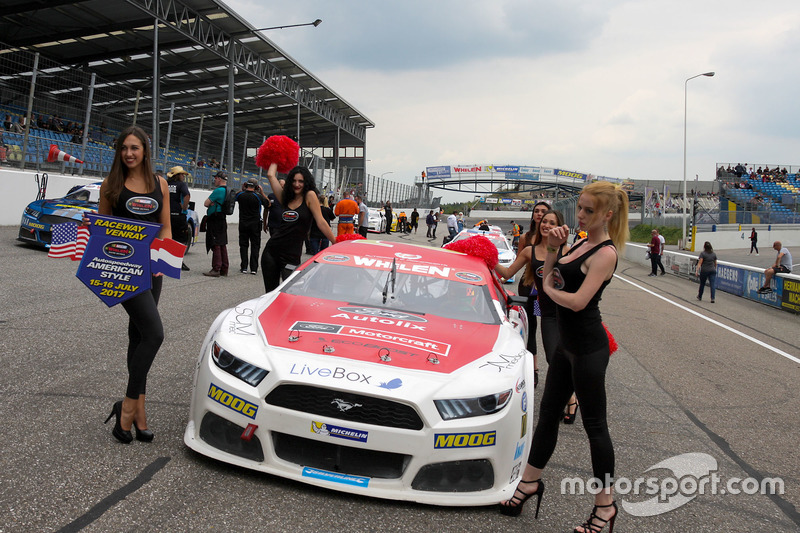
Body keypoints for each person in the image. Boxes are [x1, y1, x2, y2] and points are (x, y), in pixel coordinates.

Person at [500, 181, 628, 533]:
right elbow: (549, 275)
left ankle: (606, 508)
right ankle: (529, 483)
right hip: (565, 347)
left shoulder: (605, 253)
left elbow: (576, 300)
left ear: (608, 214)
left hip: (588, 348)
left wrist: (549, 290)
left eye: (589, 210)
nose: (582, 214)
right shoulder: (582, 242)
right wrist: (554, 249)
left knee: (595, 428)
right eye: (581, 208)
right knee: (547, 418)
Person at [97, 125, 171, 444]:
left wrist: (161, 260)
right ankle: (128, 406)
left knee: (138, 335)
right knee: (155, 333)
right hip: (123, 269)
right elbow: (102, 230)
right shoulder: (111, 185)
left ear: (145, 150)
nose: (129, 153)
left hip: (153, 269)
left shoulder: (161, 184)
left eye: (134, 148)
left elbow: (165, 227)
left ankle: (139, 414)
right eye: (124, 148)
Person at [495, 208, 566, 389]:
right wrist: (486, 256)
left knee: (564, 357)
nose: (547, 225)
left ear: (559, 227)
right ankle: (562, 393)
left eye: (552, 223)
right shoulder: (529, 251)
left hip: (564, 310)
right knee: (552, 356)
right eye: (545, 221)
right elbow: (508, 273)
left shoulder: (566, 250)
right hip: (545, 309)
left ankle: (571, 399)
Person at [261, 163, 337, 293]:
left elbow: (321, 221)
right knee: (270, 295)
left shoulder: (310, 196)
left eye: (301, 181)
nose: (297, 184)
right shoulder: (285, 198)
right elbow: (270, 175)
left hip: (291, 256)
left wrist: (336, 243)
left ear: (306, 182)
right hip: (271, 252)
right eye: (294, 181)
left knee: (289, 295)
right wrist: (276, 153)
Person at [236, 178, 267, 274]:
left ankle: (244, 267)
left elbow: (234, 197)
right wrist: (262, 192)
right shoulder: (258, 196)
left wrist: (242, 189)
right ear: (257, 187)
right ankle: (254, 268)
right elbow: (268, 204)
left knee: (243, 245)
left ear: (246, 185)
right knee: (255, 246)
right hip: (255, 224)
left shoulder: (240, 195)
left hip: (243, 223)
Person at [202, 171, 229, 277]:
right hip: (222, 218)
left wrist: (211, 203)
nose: (214, 180)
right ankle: (224, 268)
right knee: (222, 243)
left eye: (215, 178)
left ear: (219, 179)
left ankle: (216, 268)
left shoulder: (218, 191)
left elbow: (206, 203)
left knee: (216, 243)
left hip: (215, 219)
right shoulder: (227, 190)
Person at [165, 166, 192, 271]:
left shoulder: (165, 184)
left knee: (167, 238)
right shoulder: (181, 185)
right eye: (182, 174)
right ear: (177, 175)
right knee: (180, 240)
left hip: (166, 215)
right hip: (178, 215)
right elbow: (187, 196)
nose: (184, 176)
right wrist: (184, 207)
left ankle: (166, 261)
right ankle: (178, 262)